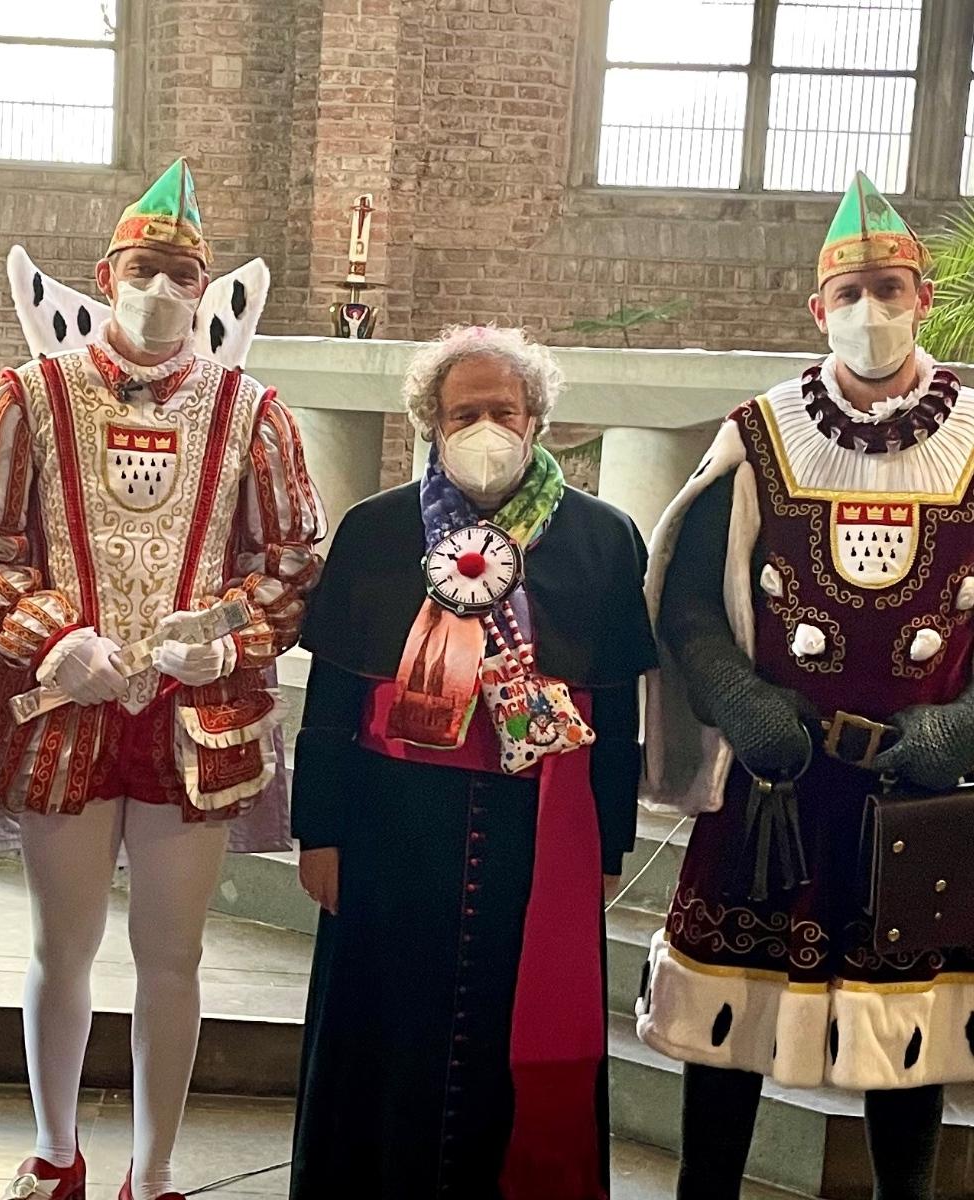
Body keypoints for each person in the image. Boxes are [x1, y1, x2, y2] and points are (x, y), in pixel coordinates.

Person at [0, 158, 323, 1200]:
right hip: (66, 705)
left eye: (181, 275)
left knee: (173, 955)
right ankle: (56, 1151)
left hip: (195, 716)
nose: (161, 290)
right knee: (61, 946)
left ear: (207, 290)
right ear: (107, 274)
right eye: (144, 268)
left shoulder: (252, 412)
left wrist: (230, 636)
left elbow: (289, 558)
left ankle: (151, 1173)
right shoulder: (24, 397)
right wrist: (53, 635)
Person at [641, 172, 974, 1200]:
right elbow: (691, 600)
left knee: (911, 1037)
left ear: (922, 296)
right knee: (729, 1032)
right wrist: (735, 699)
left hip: (919, 789)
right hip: (775, 783)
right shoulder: (759, 434)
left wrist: (965, 727)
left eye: (889, 288)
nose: (869, 310)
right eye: (849, 294)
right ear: (816, 309)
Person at [290, 325, 655, 1199]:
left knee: (512, 1027)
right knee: (386, 1027)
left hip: (539, 826)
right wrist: (319, 835)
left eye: (504, 409)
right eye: (464, 412)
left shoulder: (604, 537)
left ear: (537, 421)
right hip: (391, 822)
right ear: (430, 423)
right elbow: (334, 698)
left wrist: (606, 848)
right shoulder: (377, 530)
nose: (486, 427)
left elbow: (616, 702)